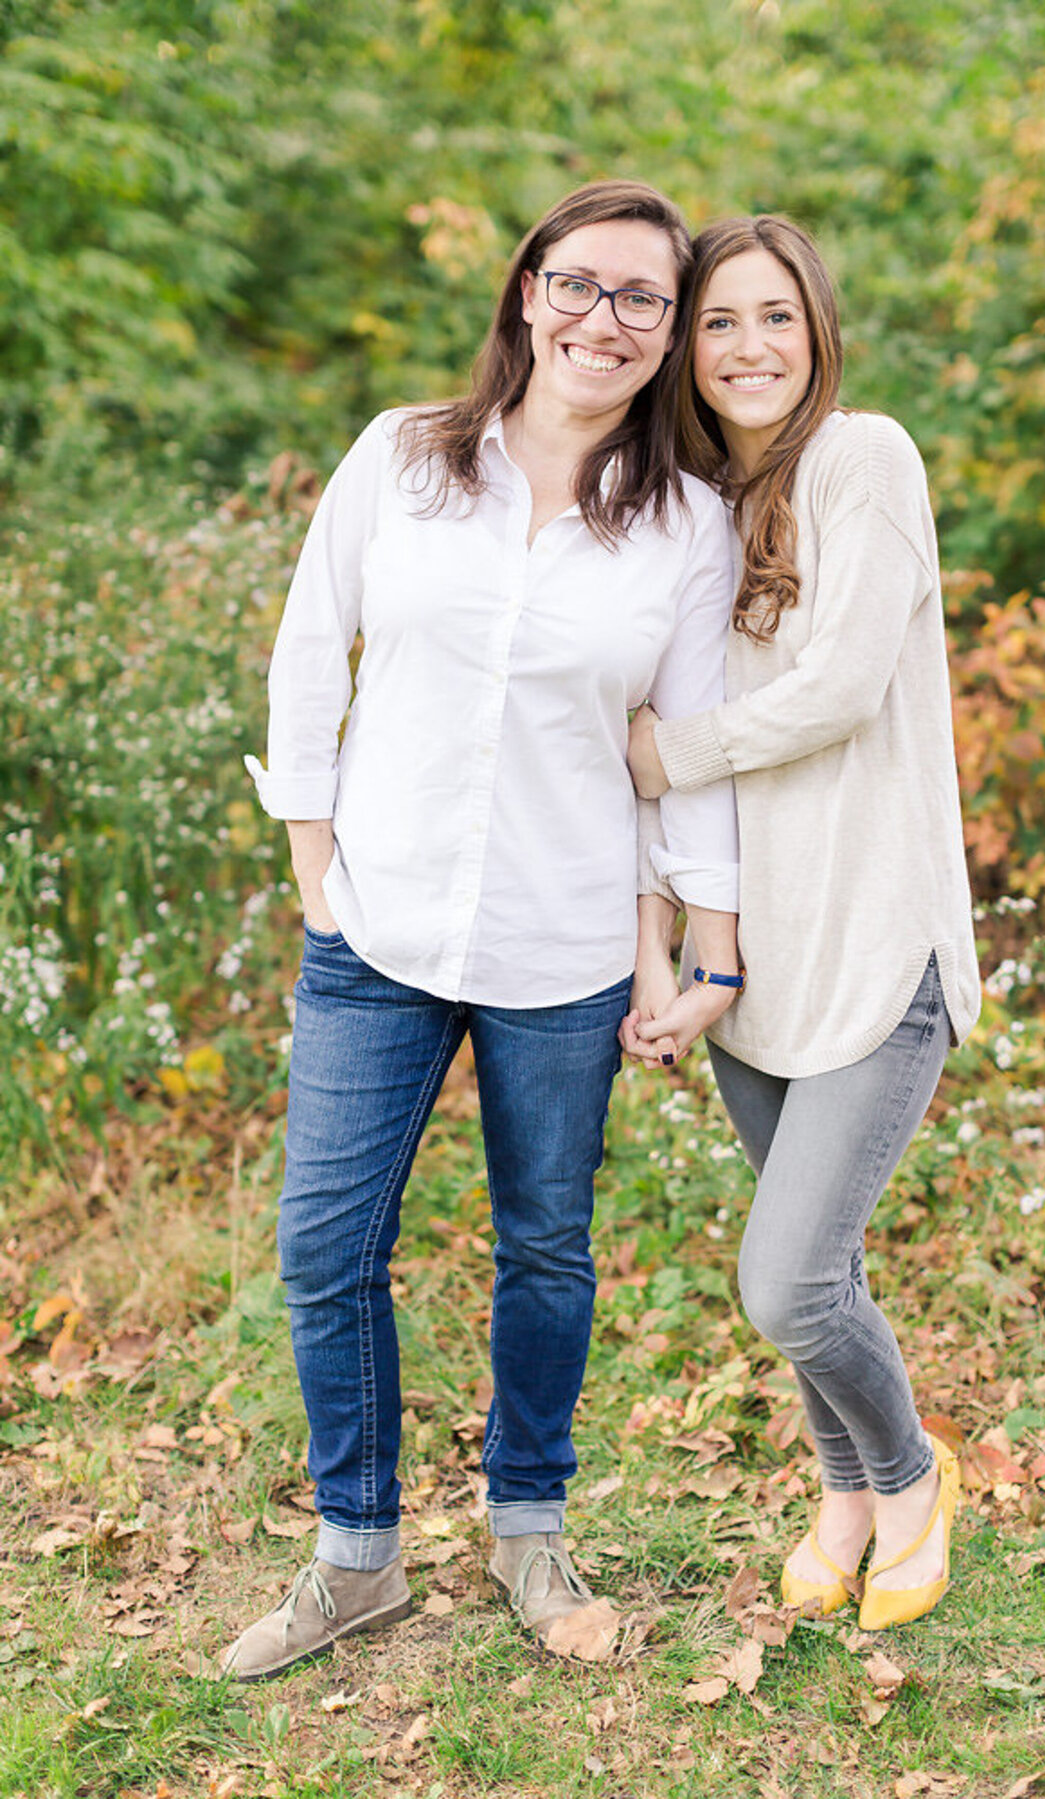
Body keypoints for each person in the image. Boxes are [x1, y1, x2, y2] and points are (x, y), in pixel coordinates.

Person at [228, 180, 742, 1679]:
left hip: (565, 944)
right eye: (580, 284)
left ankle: (529, 1530)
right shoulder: (403, 459)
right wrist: (316, 869)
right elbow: (308, 653)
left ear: (667, 335)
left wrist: (692, 957)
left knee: (546, 1251)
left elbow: (686, 756)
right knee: (326, 1247)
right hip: (374, 932)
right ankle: (358, 1558)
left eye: (644, 298)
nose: (607, 318)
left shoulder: (685, 528)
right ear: (527, 292)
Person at [626, 215, 981, 1631]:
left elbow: (835, 685)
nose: (749, 346)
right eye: (720, 323)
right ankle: (842, 1497)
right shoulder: (697, 511)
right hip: (749, 965)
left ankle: (909, 1475)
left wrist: (676, 750)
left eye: (776, 316)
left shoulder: (865, 457)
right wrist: (664, 944)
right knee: (814, 1263)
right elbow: (635, 742)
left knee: (785, 1283)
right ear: (687, 351)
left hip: (877, 941)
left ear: (817, 328)